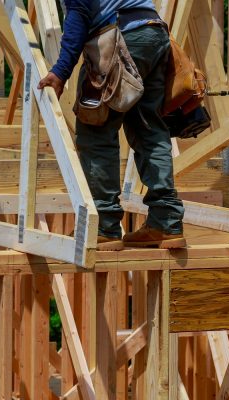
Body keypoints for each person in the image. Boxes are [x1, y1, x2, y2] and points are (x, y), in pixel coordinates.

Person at [38, 0, 186, 250]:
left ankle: (104, 227)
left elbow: (79, 13)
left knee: (96, 129)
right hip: (154, 33)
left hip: (120, 37)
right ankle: (166, 222)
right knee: (149, 129)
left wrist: (61, 71)